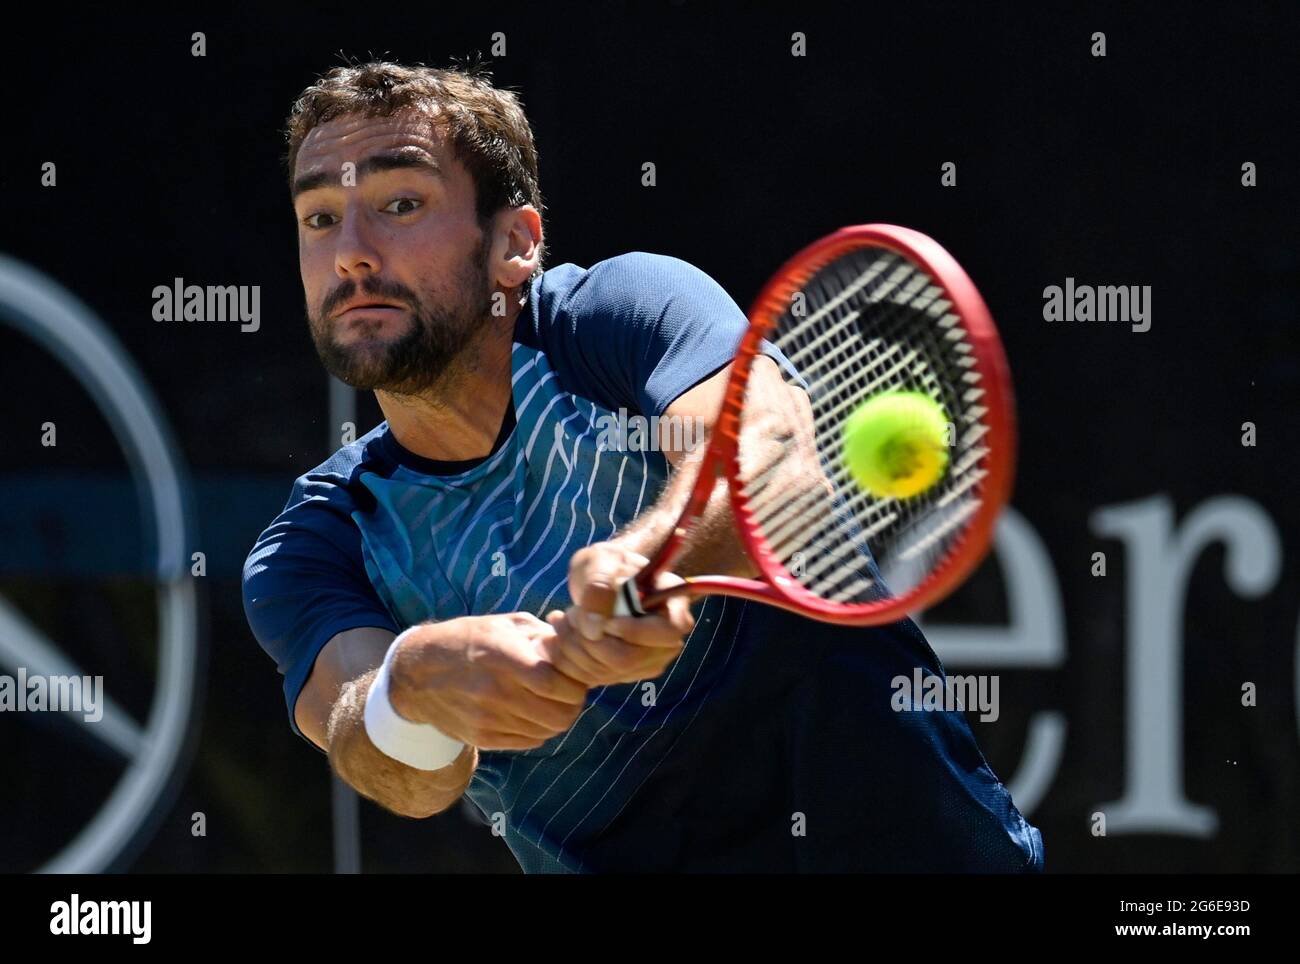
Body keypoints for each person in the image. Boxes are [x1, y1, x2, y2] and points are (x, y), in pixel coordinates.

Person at [243, 60, 1044, 873]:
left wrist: (656, 563)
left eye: (400, 205)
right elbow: (385, 759)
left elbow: (769, 456)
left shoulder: (619, 316)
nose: (349, 253)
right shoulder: (318, 545)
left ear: (514, 244)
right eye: (318, 218)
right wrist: (408, 688)